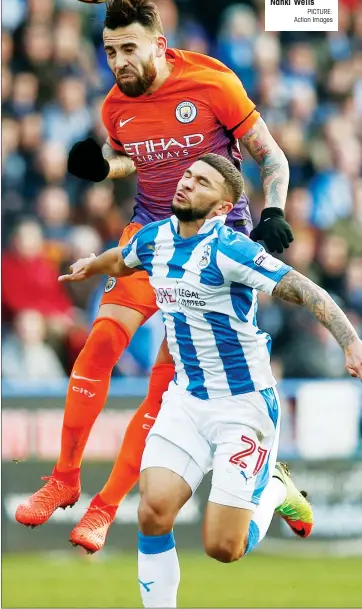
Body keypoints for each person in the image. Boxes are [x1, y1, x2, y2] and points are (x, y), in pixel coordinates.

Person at [15, 0, 294, 552]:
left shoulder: (213, 82)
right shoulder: (114, 105)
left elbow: (271, 155)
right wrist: (103, 166)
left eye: (128, 50)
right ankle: (63, 480)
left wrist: (275, 211)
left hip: (215, 251)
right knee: (98, 344)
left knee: (167, 385)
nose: (118, 63)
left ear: (160, 45)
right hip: (148, 236)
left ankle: (103, 508)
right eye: (110, 52)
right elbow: (136, 158)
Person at [58, 154, 362, 607]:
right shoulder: (155, 238)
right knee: (152, 511)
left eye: (201, 183)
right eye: (186, 176)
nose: (185, 185)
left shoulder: (231, 250)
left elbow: (306, 290)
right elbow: (124, 260)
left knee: (224, 548)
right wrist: (92, 264)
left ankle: (276, 487)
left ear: (222, 208)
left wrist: (351, 343)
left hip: (243, 407)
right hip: (186, 399)